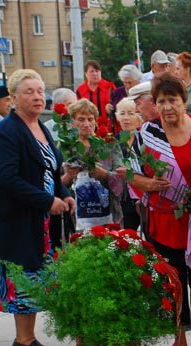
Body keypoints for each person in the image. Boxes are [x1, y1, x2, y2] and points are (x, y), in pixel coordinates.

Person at [0, 69, 75, 346]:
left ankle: (28, 338)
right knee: (23, 276)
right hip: (15, 219)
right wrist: (46, 201)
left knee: (35, 274)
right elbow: (6, 177)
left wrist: (64, 195)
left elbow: (51, 170)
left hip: (39, 220)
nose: (36, 96)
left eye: (39, 90)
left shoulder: (41, 128)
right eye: (28, 91)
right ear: (14, 98)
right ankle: (22, 340)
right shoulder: (6, 131)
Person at [124, 73, 191, 346]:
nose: (167, 107)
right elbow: (129, 172)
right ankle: (178, 336)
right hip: (162, 219)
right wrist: (147, 184)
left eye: (172, 100)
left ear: (185, 101)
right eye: (161, 101)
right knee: (170, 280)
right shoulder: (147, 133)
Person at [60, 98, 125, 231]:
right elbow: (53, 185)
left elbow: (122, 178)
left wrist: (105, 175)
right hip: (75, 218)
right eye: (81, 119)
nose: (87, 124)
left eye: (90, 119)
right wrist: (68, 176)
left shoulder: (109, 145)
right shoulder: (65, 147)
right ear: (72, 122)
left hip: (108, 215)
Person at [114, 98, 143, 231]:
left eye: (131, 113)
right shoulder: (113, 142)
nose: (126, 118)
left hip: (143, 196)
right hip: (123, 198)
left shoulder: (145, 139)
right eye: (122, 113)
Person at [75, 60, 116, 132]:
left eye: (97, 71)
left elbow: (118, 105)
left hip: (108, 129)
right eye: (92, 71)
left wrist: (112, 108)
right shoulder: (80, 90)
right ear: (86, 74)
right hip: (88, 128)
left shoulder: (110, 87)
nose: (95, 74)